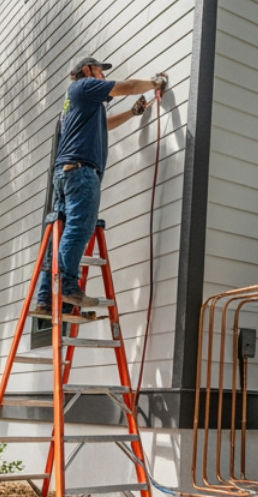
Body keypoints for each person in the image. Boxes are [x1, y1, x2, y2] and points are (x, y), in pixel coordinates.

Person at [32, 56, 165, 314]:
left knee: (62, 234)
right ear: (87, 70)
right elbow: (126, 87)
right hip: (81, 171)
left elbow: (105, 124)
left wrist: (133, 113)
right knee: (79, 228)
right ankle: (67, 285)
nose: (103, 76)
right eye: (100, 71)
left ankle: (46, 297)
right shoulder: (83, 86)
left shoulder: (78, 101)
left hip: (67, 173)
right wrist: (155, 82)